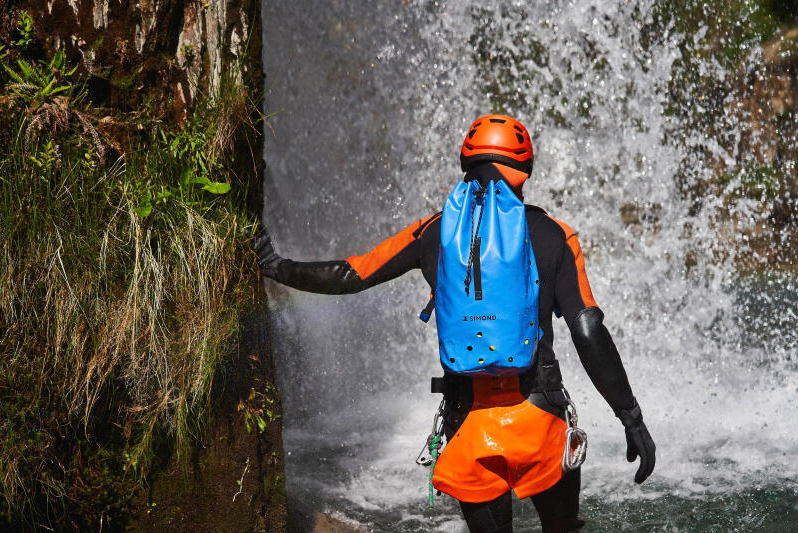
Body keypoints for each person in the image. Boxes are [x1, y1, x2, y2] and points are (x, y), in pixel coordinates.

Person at [253, 114, 656, 533]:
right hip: (540, 418)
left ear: (467, 162)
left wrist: (277, 267)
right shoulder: (556, 234)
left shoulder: (435, 230)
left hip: (467, 422)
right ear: (524, 169)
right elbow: (588, 330)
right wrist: (631, 417)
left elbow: (352, 274)